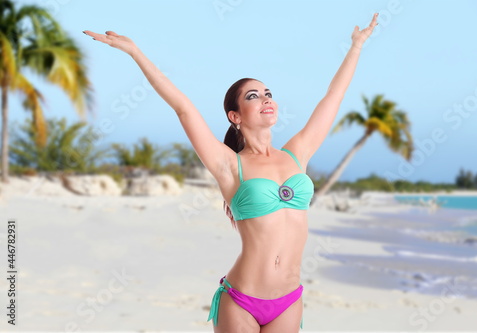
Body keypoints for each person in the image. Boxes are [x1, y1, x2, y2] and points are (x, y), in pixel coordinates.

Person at [83, 12, 378, 332]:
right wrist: (136, 52)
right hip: (242, 300)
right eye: (253, 96)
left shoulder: (297, 154)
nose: (266, 99)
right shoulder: (229, 165)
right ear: (235, 116)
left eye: (268, 93)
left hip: (290, 300)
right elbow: (183, 107)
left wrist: (357, 46)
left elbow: (333, 98)